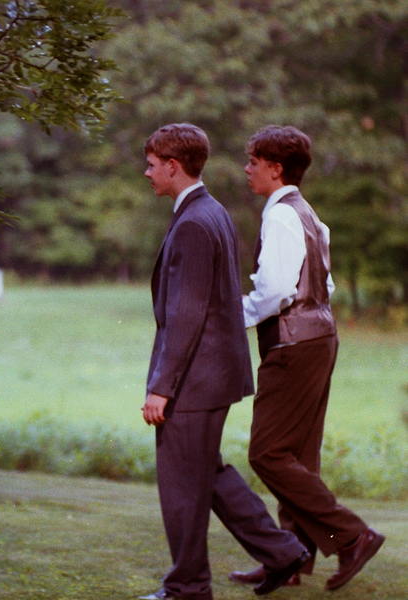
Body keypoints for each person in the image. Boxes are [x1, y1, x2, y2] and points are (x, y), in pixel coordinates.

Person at [139, 123, 308, 600]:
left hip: (196, 379)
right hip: (213, 374)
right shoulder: (210, 211)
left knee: (181, 484)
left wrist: (161, 387)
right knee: (206, 475)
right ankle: (283, 552)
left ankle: (188, 587)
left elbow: (187, 314)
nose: (146, 173)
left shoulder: (194, 222)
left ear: (173, 166)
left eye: (151, 165)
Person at [229, 125, 385, 592]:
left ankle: (351, 536)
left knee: (268, 453)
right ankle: (291, 557)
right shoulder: (309, 216)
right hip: (319, 339)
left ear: (275, 169)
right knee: (298, 455)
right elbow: (324, 284)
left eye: (253, 162)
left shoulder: (280, 216)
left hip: (294, 345)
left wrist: (234, 316)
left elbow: (277, 289)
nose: (247, 169)